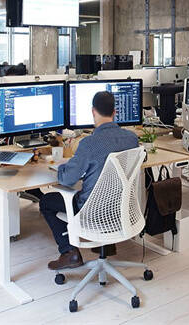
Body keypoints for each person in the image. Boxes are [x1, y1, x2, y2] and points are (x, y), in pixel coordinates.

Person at [39, 91, 138, 270]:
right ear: (115, 112)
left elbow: (67, 180)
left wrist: (61, 166)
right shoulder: (132, 139)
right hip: (121, 209)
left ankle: (69, 253)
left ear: (93, 111)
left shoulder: (89, 144)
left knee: (46, 202)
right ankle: (106, 244)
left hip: (92, 211)